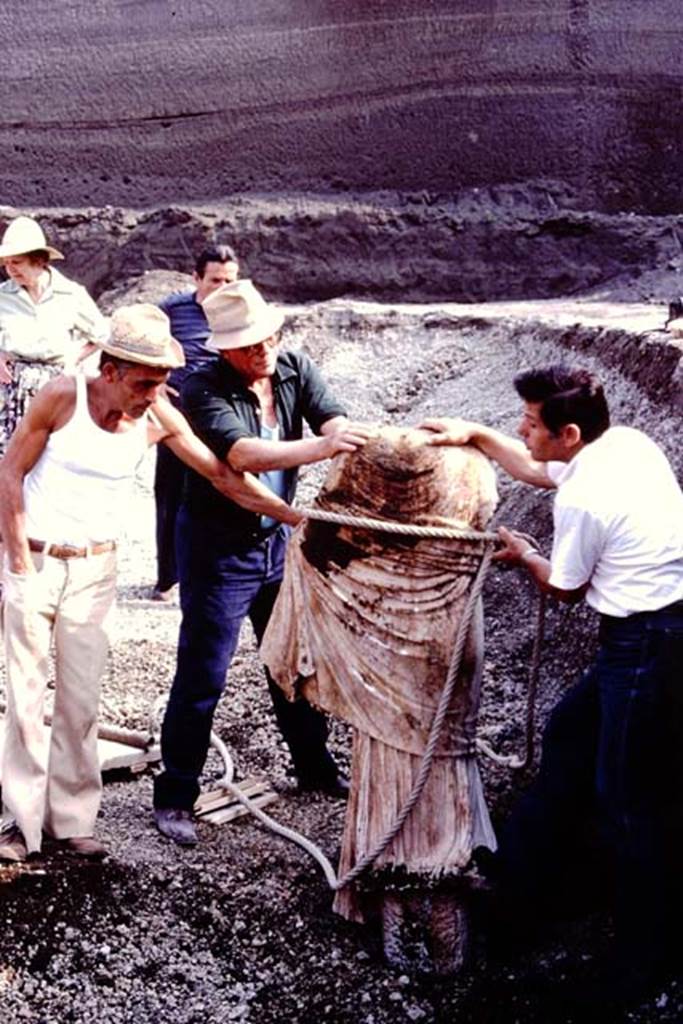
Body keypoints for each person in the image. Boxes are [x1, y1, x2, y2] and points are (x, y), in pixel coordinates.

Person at [0, 303, 300, 864]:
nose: (152, 395)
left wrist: (293, 518)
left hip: (96, 569)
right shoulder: (62, 397)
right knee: (24, 698)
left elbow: (221, 474)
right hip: (37, 560)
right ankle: (21, 823)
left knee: (80, 700)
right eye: (143, 382)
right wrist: (18, 561)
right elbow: (10, 472)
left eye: (161, 382)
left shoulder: (158, 415)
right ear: (110, 370)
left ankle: (70, 821)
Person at [422, 365, 683, 1005]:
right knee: (570, 734)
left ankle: (643, 953)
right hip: (656, 626)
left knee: (627, 800)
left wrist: (525, 556)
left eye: (530, 423)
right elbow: (539, 468)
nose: (522, 431)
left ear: (568, 432)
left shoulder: (585, 499)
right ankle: (524, 878)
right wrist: (478, 433)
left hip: (648, 641)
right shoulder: (624, 444)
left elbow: (564, 590)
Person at [153, 279, 371, 846]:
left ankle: (314, 768)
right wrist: (322, 449)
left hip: (276, 543)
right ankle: (176, 794)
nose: (264, 352)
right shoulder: (201, 387)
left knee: (289, 663)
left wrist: (341, 435)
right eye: (250, 346)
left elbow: (332, 418)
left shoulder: (293, 367)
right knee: (205, 670)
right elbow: (241, 455)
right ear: (223, 348)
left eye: (270, 338)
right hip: (218, 549)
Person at [153, 243, 240, 599]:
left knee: (227, 489)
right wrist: (156, 389)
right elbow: (142, 346)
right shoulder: (172, 310)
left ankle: (219, 572)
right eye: (215, 280)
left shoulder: (241, 309)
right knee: (171, 495)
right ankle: (168, 579)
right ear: (196, 278)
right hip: (177, 413)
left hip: (222, 412)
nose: (223, 287)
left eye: (230, 280)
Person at [0, 214, 107, 457]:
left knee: (54, 453)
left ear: (38, 260)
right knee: (10, 456)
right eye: (6, 263)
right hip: (11, 387)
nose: (10, 269)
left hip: (56, 382)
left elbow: (101, 334)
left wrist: (73, 358)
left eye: (17, 262)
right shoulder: (2, 295)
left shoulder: (70, 294)